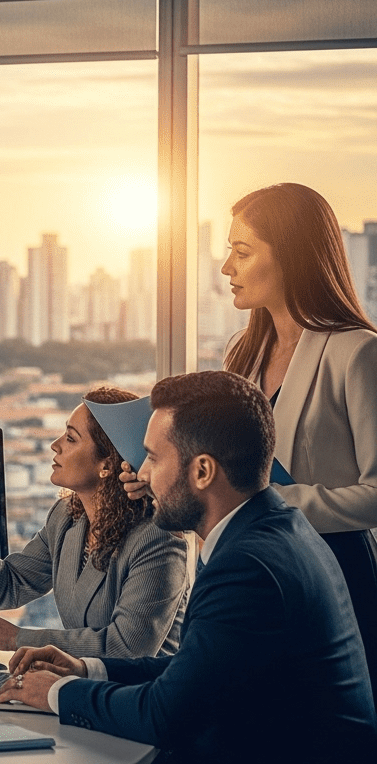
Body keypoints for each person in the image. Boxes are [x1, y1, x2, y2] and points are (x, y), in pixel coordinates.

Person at [0, 371, 375, 761]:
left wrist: (55, 693)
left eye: (154, 459)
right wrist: (88, 668)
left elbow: (165, 714)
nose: (140, 474)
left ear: (203, 471)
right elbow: (195, 670)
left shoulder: (248, 567)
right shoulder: (276, 528)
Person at [221, 182, 377, 697]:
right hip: (256, 575)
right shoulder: (241, 355)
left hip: (335, 577)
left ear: (291, 256)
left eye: (241, 252)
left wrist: (271, 504)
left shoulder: (356, 354)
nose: (227, 268)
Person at [0, 387, 187, 658]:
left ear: (106, 464)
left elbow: (127, 647)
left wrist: (19, 638)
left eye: (70, 438)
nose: (54, 445)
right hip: (88, 683)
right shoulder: (66, 517)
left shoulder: (156, 538)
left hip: (140, 694)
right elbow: (7, 588)